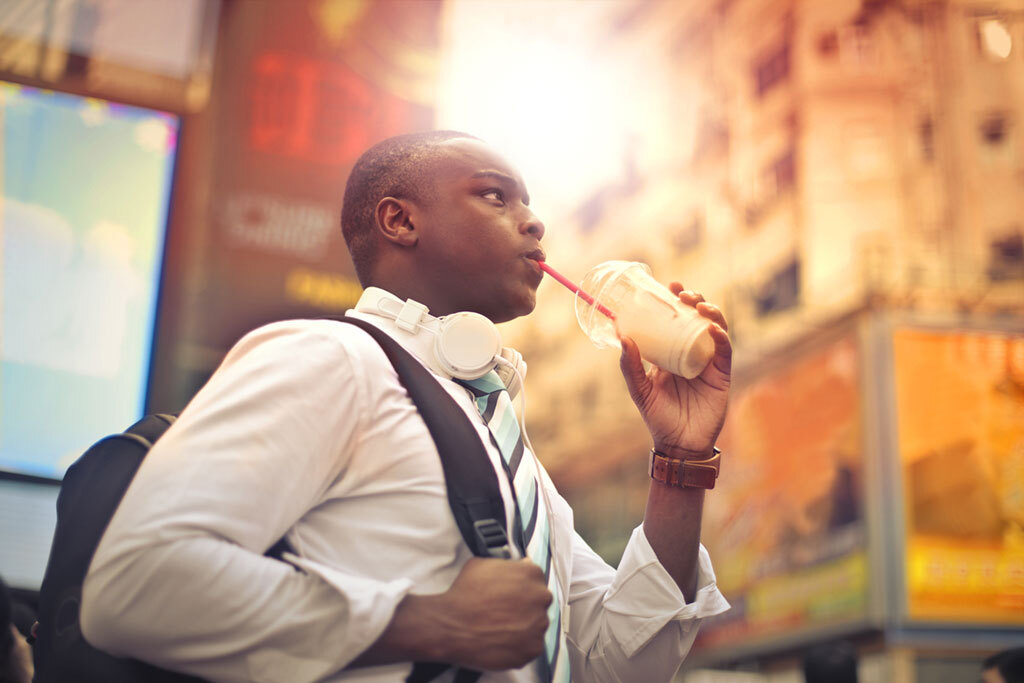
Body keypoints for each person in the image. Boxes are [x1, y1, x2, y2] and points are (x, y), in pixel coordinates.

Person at [80, 131, 733, 682]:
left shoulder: (507, 446)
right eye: (494, 195)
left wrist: (681, 460)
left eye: (530, 204)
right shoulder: (332, 358)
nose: (534, 222)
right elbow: (133, 584)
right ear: (400, 221)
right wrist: (429, 621)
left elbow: (619, 663)